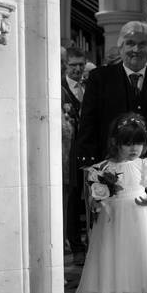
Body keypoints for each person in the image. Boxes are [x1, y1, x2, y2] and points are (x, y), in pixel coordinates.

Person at [75, 113, 147, 293]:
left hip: (137, 222)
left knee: (131, 268)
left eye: (139, 142)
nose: (134, 148)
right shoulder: (103, 168)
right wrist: (96, 200)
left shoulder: (144, 165)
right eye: (128, 143)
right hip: (111, 225)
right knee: (106, 265)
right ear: (115, 142)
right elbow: (92, 199)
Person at [77, 21, 147, 169]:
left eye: (142, 44)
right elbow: (88, 126)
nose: (136, 49)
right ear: (121, 47)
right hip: (109, 169)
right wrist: (89, 167)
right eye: (130, 43)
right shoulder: (100, 79)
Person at [62, 47, 88, 265]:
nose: (78, 69)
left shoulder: (88, 87)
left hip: (86, 150)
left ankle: (91, 241)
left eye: (81, 64)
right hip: (68, 151)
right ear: (65, 65)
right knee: (71, 197)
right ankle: (75, 245)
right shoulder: (60, 88)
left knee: (90, 196)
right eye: (73, 65)